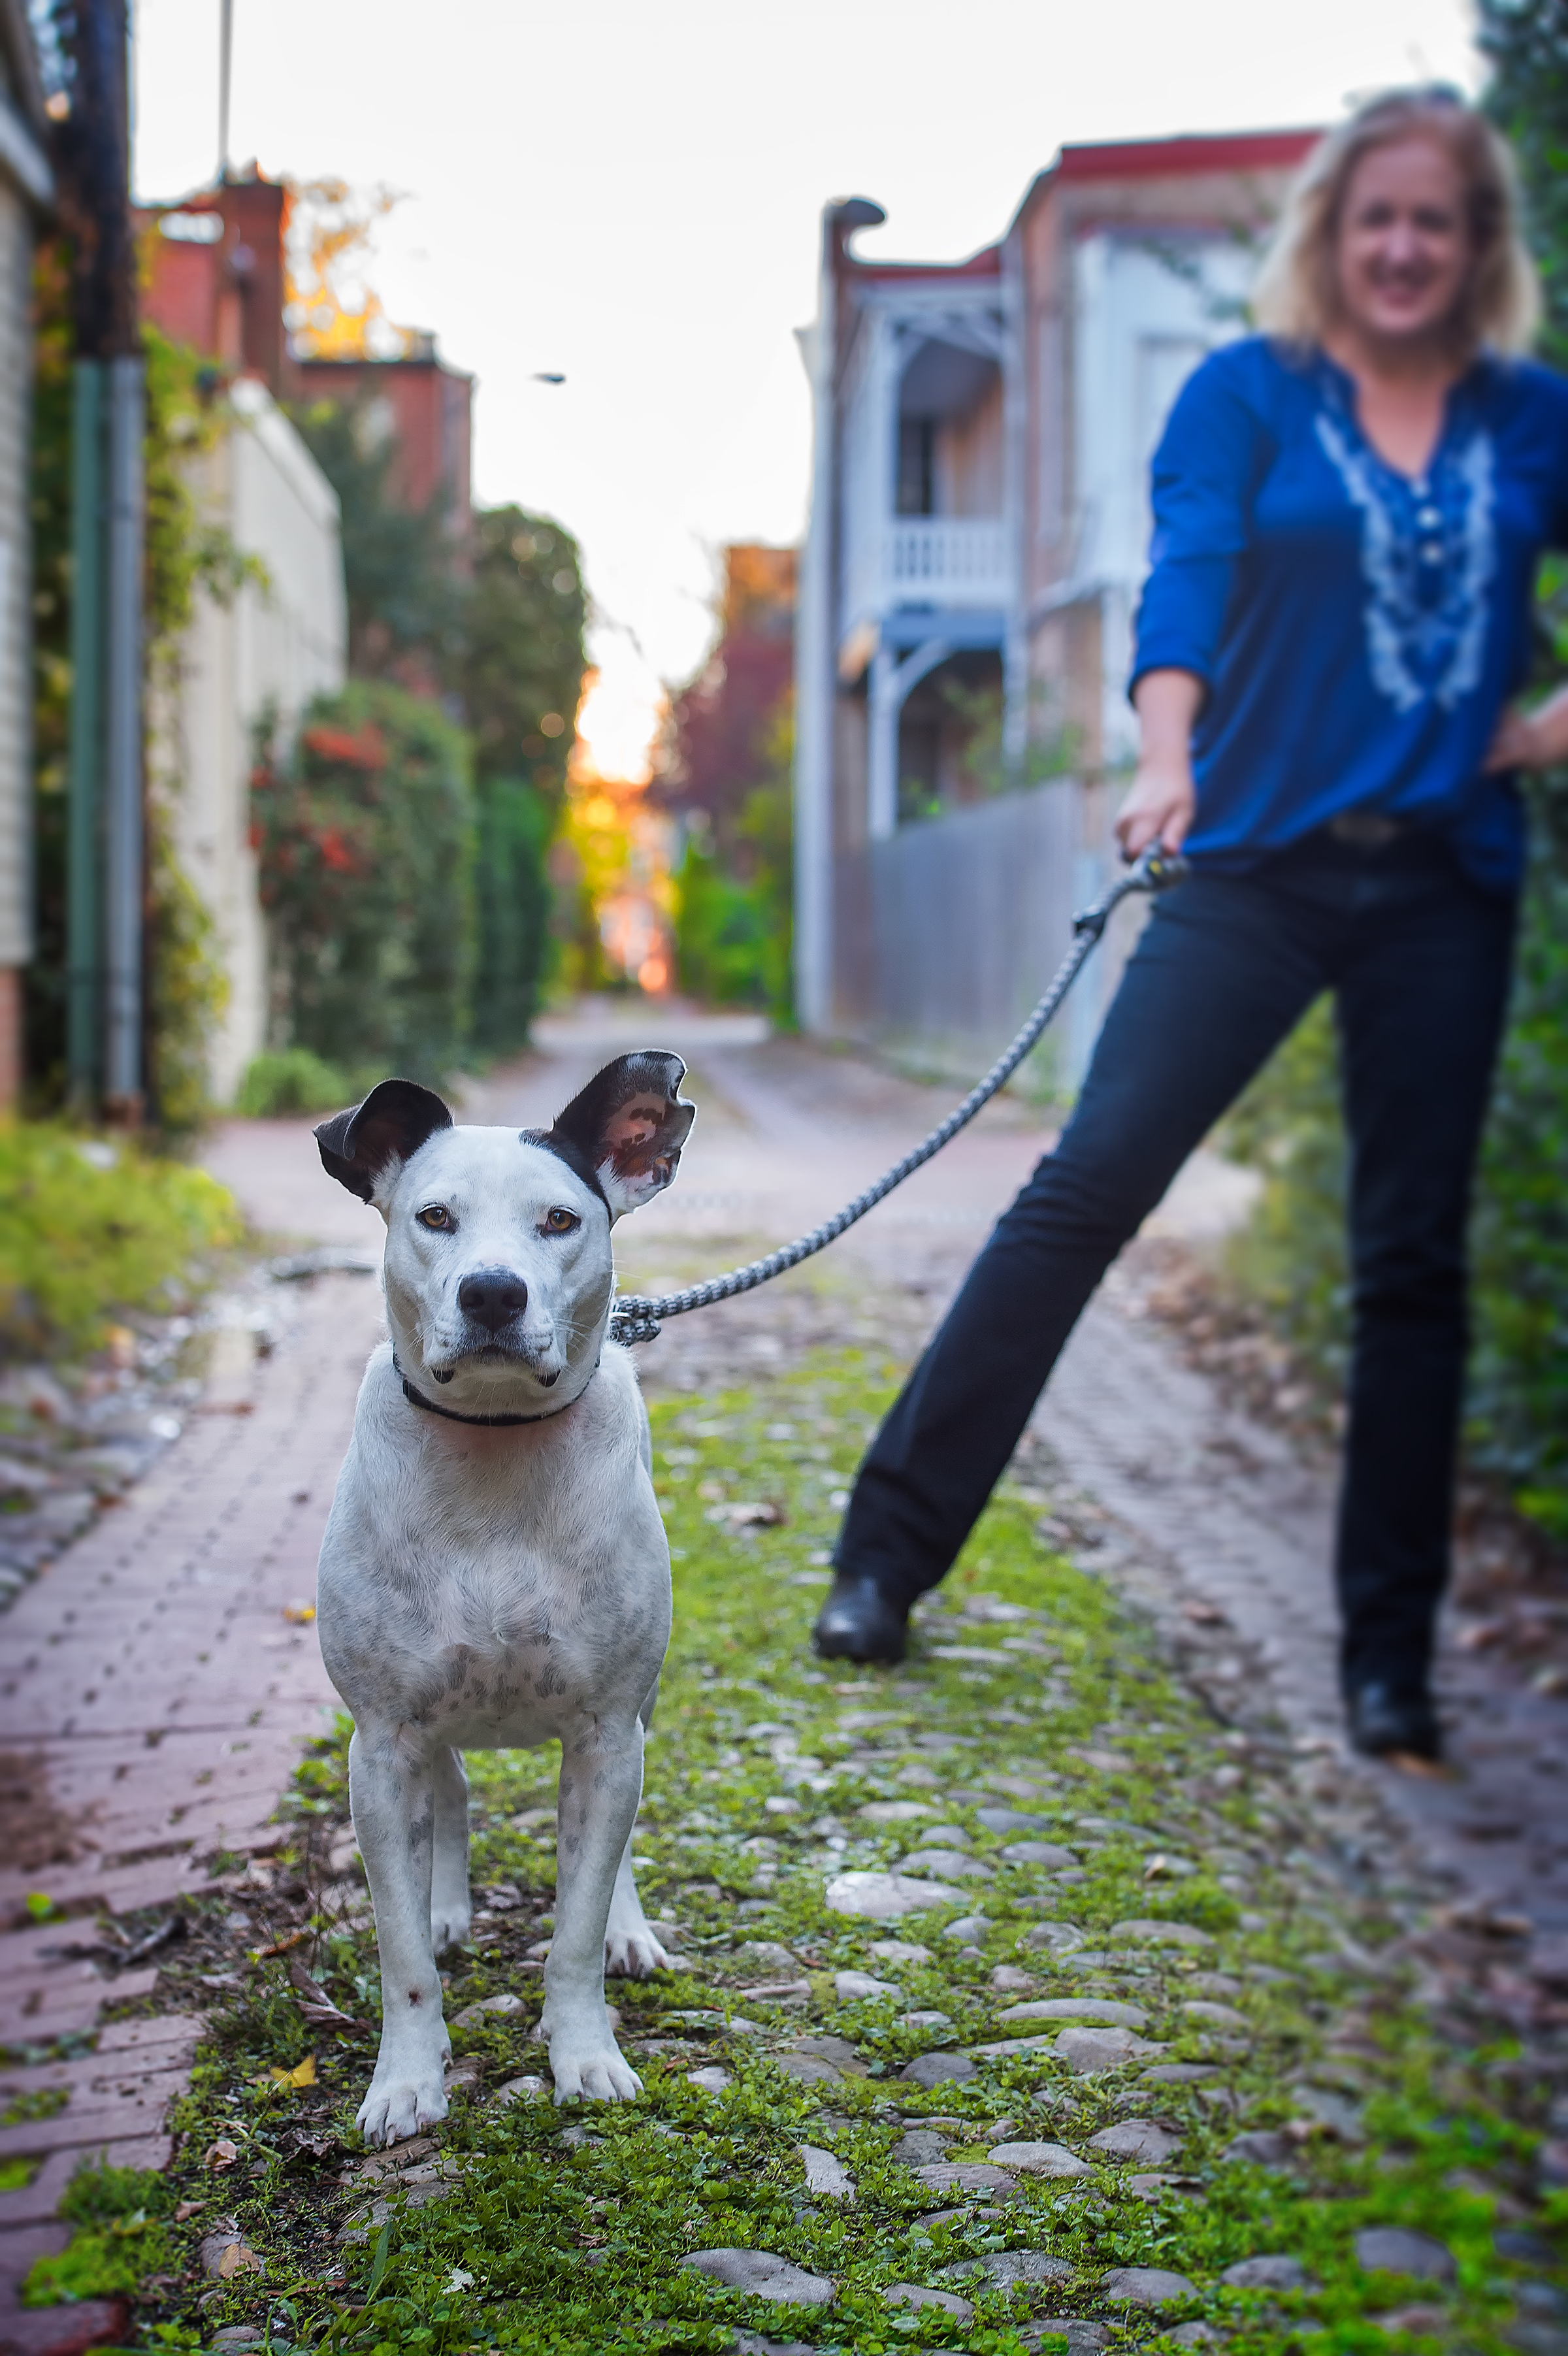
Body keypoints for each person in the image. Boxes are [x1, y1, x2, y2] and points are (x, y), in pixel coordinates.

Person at [813, 87, 1568, 1763]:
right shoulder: (1248, 395)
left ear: (1476, 247)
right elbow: (1190, 577)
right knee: (1090, 1185)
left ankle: (1389, 1662)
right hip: (1252, 862)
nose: (1401, 247)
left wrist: (1553, 716)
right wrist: (1165, 755)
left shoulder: (1531, 419)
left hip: (1447, 877)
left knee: (1412, 1263)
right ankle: (885, 1557)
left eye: (1434, 222)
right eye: (1376, 216)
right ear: (1331, 230)